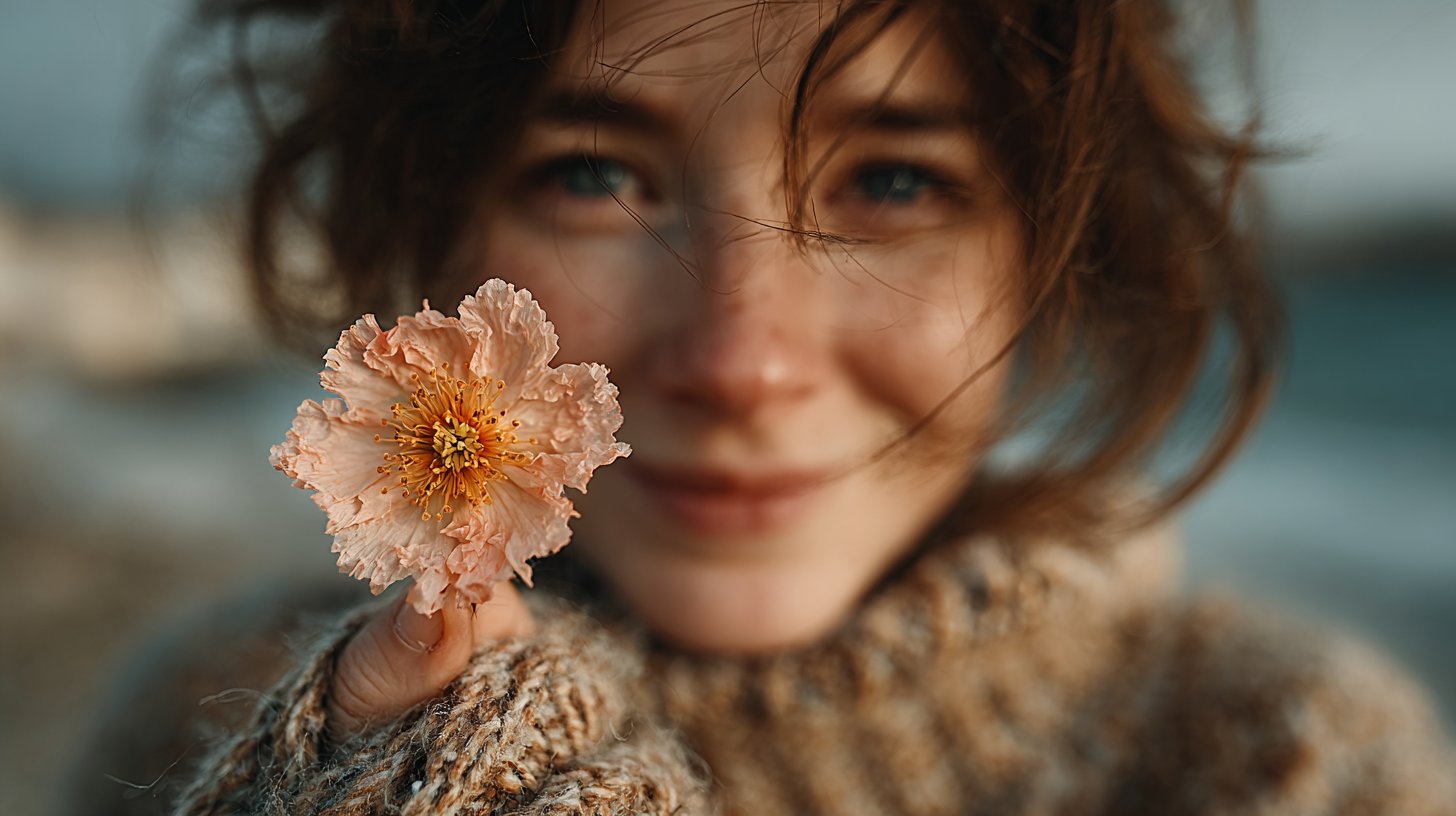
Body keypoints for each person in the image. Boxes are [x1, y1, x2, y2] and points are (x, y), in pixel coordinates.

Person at [88, 0, 1456, 813]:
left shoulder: (1294, 760)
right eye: (588, 174)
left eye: (894, 183)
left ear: (1055, 254)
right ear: (431, 236)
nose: (742, 361)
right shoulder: (221, 726)